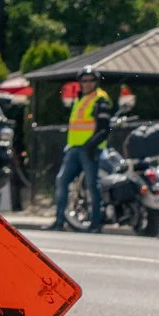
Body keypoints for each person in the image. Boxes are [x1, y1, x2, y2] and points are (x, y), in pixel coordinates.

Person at [51, 69, 111, 231]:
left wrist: (91, 145)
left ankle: (95, 223)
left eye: (91, 80)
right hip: (74, 148)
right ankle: (59, 222)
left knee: (92, 185)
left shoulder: (100, 100)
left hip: (90, 150)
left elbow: (104, 129)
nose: (87, 83)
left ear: (96, 82)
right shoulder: (80, 99)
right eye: (84, 80)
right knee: (62, 180)